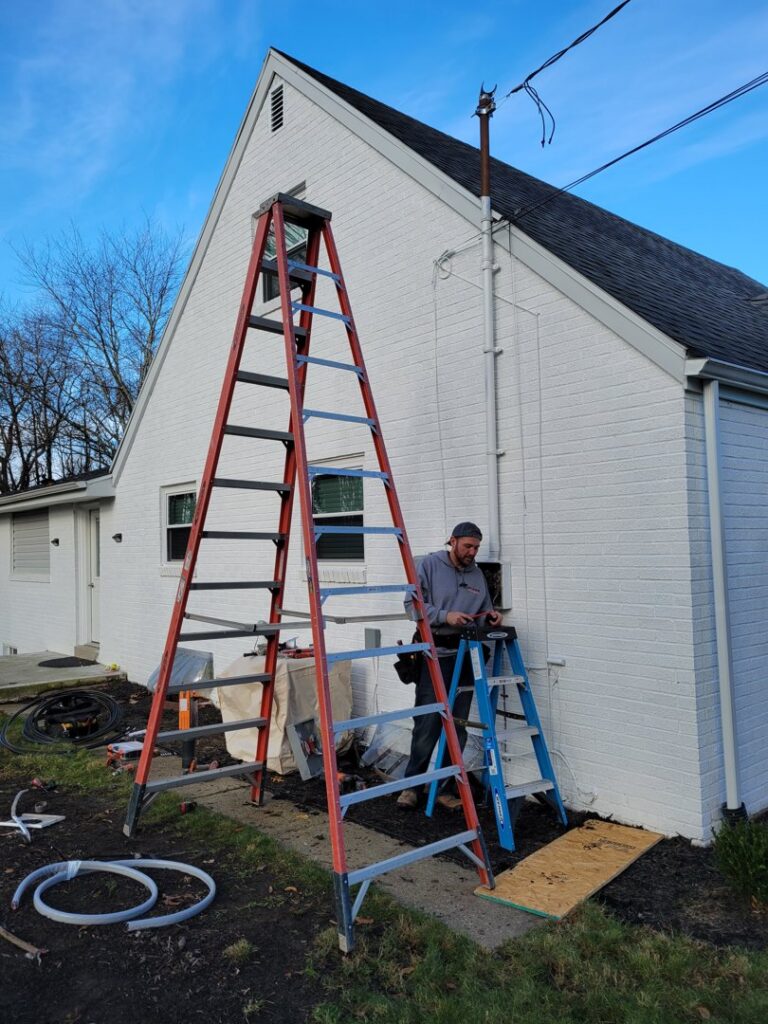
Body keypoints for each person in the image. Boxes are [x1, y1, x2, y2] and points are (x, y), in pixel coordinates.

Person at [397, 522, 502, 810]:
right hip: (435, 656)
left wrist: (490, 618)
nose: (472, 552)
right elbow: (411, 607)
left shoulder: (477, 575)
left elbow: (482, 612)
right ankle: (411, 787)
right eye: (468, 546)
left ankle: (441, 786)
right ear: (452, 541)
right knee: (428, 722)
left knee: (457, 725)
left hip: (466, 657)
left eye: (476, 547)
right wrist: (446, 615)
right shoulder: (430, 565)